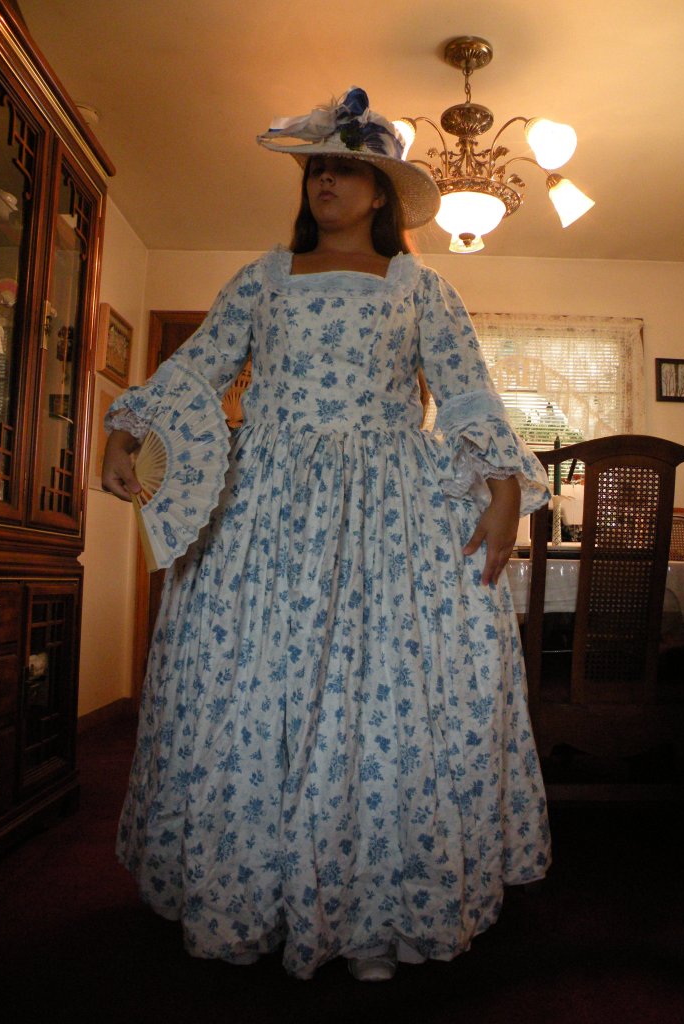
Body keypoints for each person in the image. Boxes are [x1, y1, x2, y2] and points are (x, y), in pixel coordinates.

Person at [102, 87, 551, 982]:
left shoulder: (421, 288)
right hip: (264, 505)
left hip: (392, 504)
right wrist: (129, 427)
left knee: (385, 686)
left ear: (381, 191)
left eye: (345, 169)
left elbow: (466, 393)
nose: (325, 182)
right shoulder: (262, 278)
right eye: (315, 170)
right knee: (251, 676)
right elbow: (197, 367)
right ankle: (252, 901)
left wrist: (505, 489)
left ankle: (376, 917)